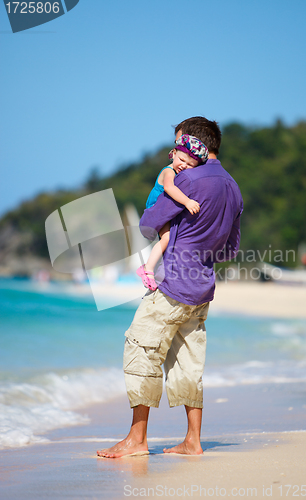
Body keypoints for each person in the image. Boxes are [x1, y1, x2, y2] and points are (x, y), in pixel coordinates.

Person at [97, 116, 243, 459]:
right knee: (189, 362)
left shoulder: (188, 179)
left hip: (173, 283)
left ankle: (137, 440)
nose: (176, 155)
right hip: (202, 286)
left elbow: (149, 222)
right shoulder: (233, 187)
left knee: (142, 348)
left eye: (180, 144)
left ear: (195, 145)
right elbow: (230, 249)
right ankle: (193, 440)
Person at [136, 134, 209, 291]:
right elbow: (169, 188)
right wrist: (187, 202)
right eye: (182, 160)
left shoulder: (179, 173)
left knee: (169, 239)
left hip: (164, 211)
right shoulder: (168, 171)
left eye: (190, 164)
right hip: (156, 209)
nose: (183, 165)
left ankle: (155, 270)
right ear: (174, 153)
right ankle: (147, 269)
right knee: (167, 238)